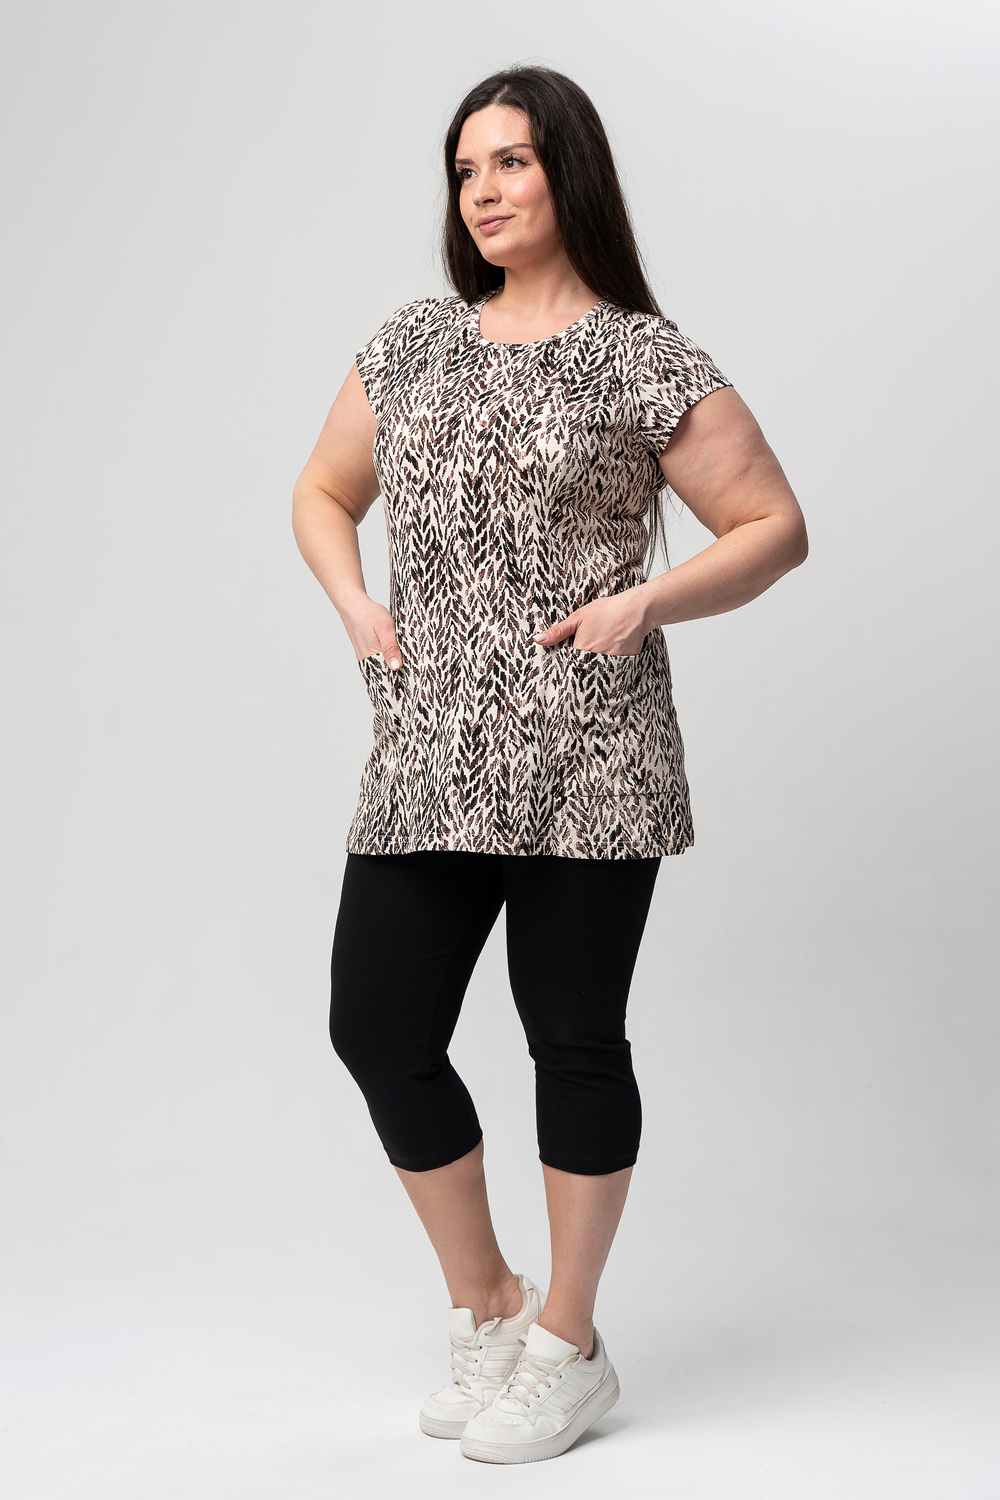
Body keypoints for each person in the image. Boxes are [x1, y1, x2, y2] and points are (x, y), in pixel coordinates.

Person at [292, 65, 808, 1465]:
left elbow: (772, 524)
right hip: (431, 746)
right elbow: (324, 489)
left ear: (569, 172)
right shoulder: (411, 344)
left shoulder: (646, 358)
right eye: (467, 170)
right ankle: (491, 1305)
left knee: (571, 1038)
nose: (485, 191)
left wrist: (652, 600)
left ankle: (569, 1346)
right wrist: (355, 603)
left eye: (512, 161)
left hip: (591, 752)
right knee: (378, 1027)